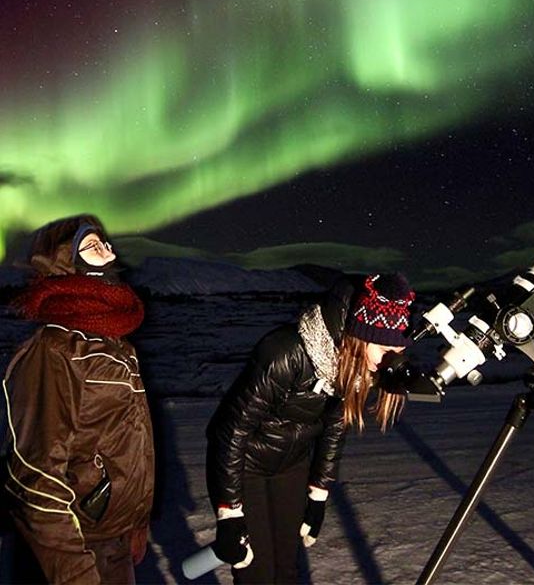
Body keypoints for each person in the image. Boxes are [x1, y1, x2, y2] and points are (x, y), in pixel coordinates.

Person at [205, 271, 415, 584]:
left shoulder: (355, 364)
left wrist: (318, 495)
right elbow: (232, 432)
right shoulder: (287, 352)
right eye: (386, 352)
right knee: (256, 572)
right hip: (243, 464)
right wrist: (229, 513)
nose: (388, 363)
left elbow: (334, 427)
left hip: (291, 464)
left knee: (287, 569)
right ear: (361, 336)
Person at [2, 214, 155, 585]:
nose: (108, 249)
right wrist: (74, 572)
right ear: (67, 265)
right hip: (73, 548)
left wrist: (136, 519)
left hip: (113, 539)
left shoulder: (115, 343)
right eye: (92, 246)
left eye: (105, 243)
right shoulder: (54, 350)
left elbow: (126, 440)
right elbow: (36, 476)